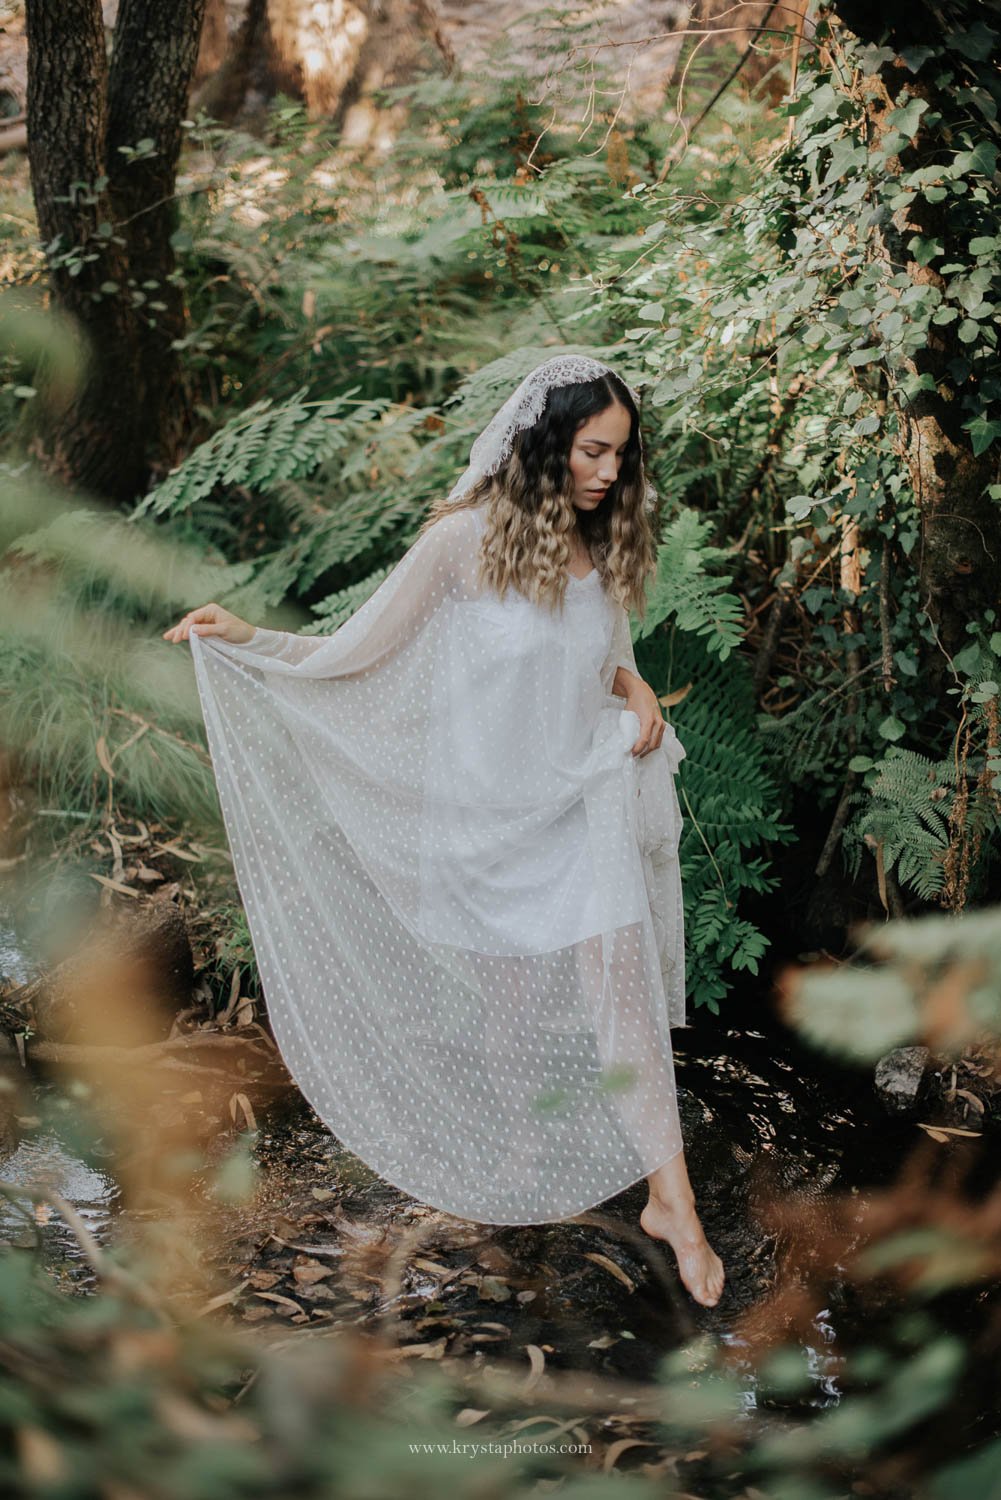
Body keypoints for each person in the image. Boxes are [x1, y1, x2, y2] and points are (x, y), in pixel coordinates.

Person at [163, 354, 725, 1308]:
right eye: (593, 451)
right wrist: (245, 636)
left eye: (621, 457)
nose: (609, 474)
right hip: (483, 823)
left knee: (618, 992)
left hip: (577, 801)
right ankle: (519, 1144)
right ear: (542, 443)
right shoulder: (460, 544)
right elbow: (353, 655)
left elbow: (607, 658)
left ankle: (672, 1204)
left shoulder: (601, 545)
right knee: (509, 1007)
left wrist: (635, 692)